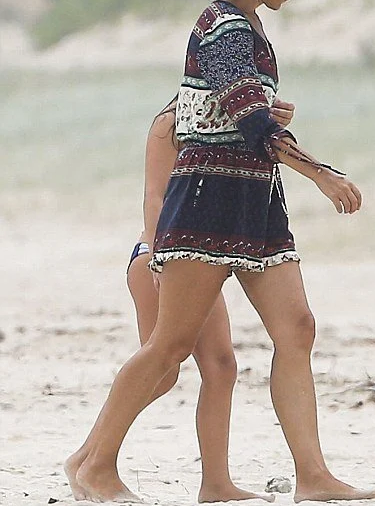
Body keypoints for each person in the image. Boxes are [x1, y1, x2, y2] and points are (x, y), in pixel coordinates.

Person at [66, 0, 375, 503]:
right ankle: (95, 466)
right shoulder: (224, 26)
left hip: (256, 201)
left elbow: (226, 111)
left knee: (298, 329)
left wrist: (264, 112)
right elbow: (247, 118)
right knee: (169, 345)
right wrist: (320, 172)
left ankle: (311, 476)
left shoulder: (251, 28)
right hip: (209, 199)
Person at [65, 95, 295, 503]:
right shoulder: (170, 122)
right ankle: (91, 462)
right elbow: (155, 196)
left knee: (221, 367)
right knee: (164, 364)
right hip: (160, 254)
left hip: (199, 256)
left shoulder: (229, 120)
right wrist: (158, 260)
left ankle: (216, 484)